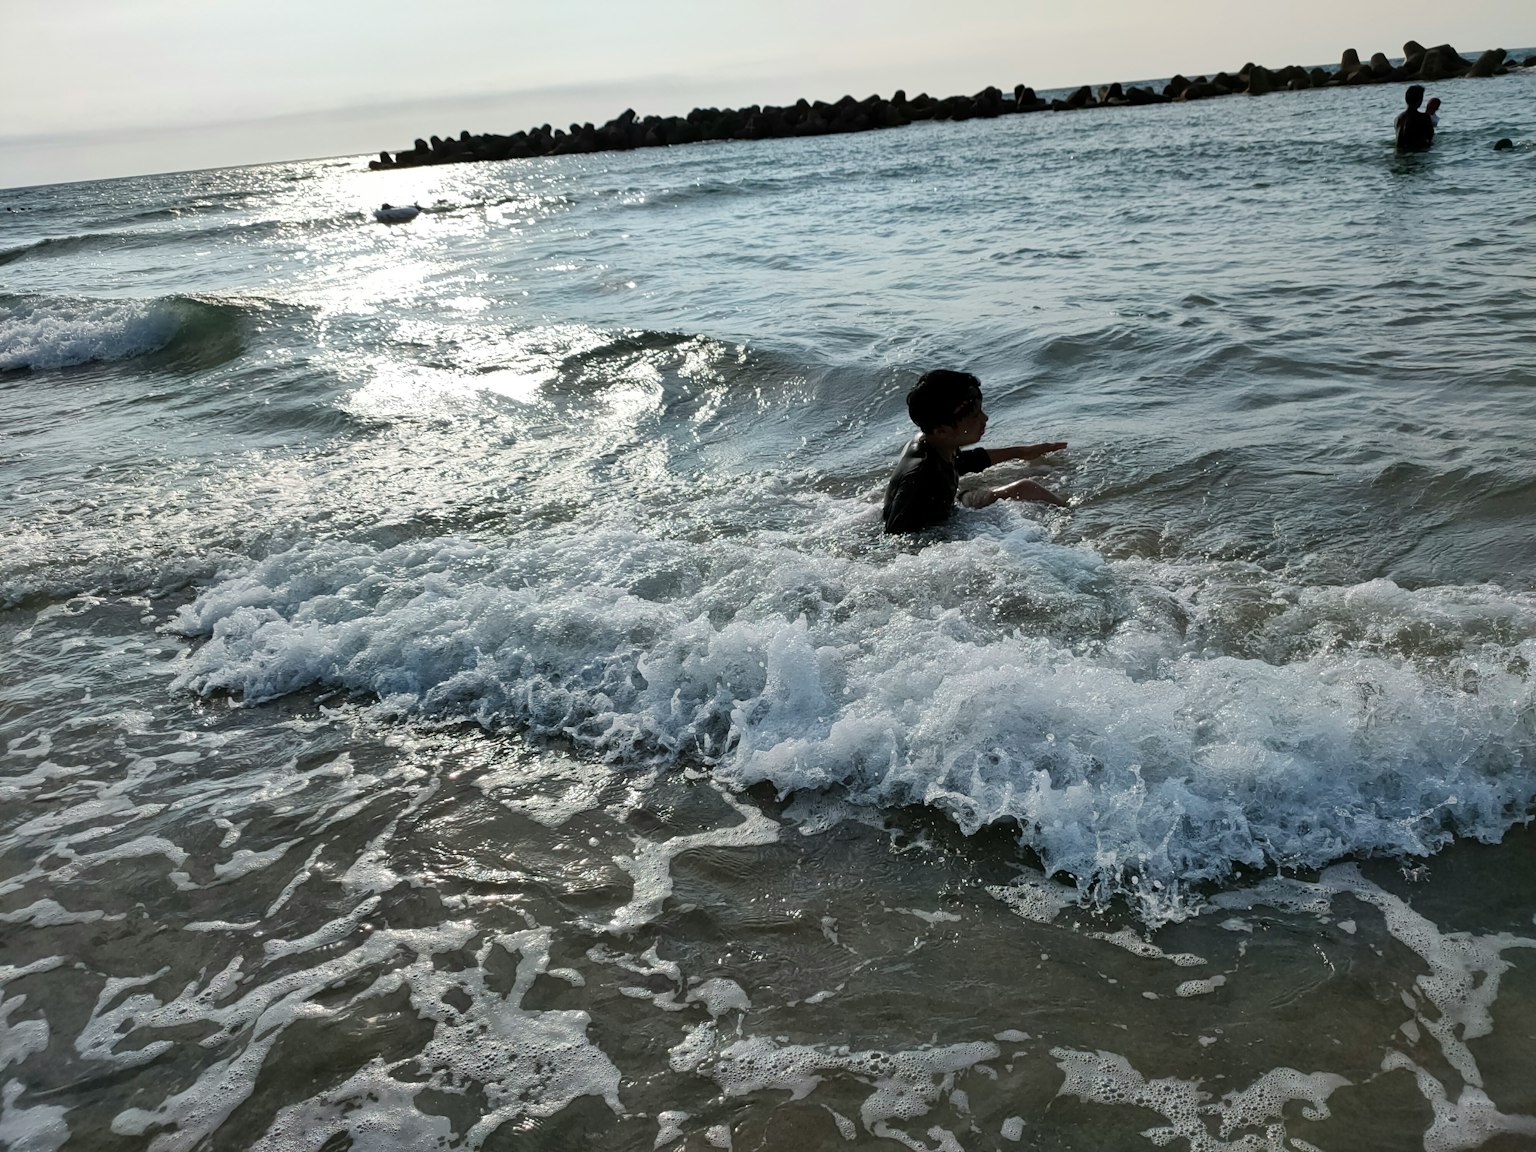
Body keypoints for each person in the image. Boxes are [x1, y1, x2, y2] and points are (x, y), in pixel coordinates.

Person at [881, 369, 1068, 535]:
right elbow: (896, 532)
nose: (985, 418)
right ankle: (1074, 516)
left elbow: (962, 462)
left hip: (951, 510)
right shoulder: (923, 477)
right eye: (975, 416)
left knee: (1031, 483)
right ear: (942, 431)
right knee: (1026, 488)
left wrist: (1020, 452)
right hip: (937, 534)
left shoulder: (932, 441)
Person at [1395, 85, 1435, 152]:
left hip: (1402, 152)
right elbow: (1430, 136)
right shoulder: (1424, 117)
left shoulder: (1398, 118)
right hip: (1418, 151)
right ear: (1420, 100)